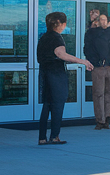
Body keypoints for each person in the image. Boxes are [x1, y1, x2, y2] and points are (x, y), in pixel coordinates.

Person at [37, 10, 93, 145]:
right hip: (56, 75)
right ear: (61, 24)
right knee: (58, 104)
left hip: (44, 74)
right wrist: (83, 61)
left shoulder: (43, 38)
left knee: (46, 106)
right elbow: (60, 53)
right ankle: (54, 136)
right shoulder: (57, 37)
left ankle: (42, 137)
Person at [83, 12, 110, 130]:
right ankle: (99, 120)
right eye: (100, 20)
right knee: (98, 93)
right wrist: (94, 61)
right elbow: (87, 48)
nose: (103, 22)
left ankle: (107, 118)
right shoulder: (91, 33)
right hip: (98, 67)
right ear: (96, 21)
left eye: (105, 19)